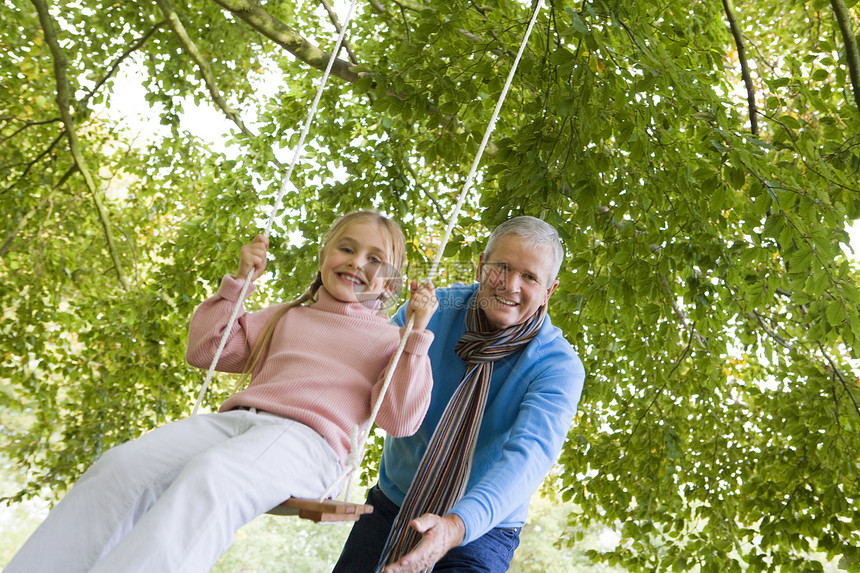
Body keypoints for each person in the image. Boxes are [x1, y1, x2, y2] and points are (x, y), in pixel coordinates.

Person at [6, 210, 439, 573]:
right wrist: (240, 281)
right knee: (121, 466)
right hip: (237, 422)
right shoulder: (286, 316)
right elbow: (206, 349)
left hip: (309, 443)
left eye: (375, 260)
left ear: (390, 284)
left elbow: (399, 418)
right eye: (346, 248)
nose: (357, 262)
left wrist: (416, 335)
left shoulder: (392, 342)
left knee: (213, 477)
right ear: (324, 255)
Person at [333, 215, 585, 573]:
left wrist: (456, 525)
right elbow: (359, 385)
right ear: (481, 265)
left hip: (482, 526)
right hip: (393, 502)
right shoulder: (430, 312)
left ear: (549, 290)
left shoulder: (558, 366)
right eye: (501, 267)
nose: (511, 285)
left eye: (529, 277)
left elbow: (528, 459)